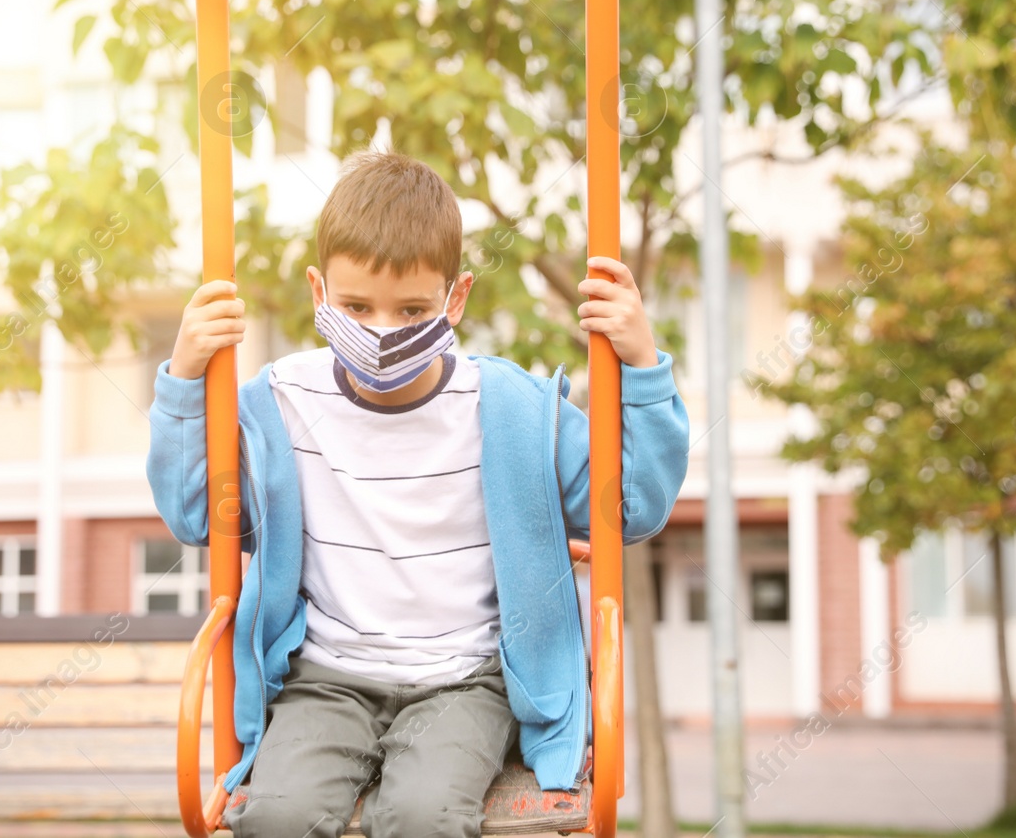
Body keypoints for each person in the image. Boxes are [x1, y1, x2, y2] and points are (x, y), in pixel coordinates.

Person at [147, 151, 689, 838]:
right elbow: (197, 513)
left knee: (421, 815)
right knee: (277, 816)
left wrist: (640, 365)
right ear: (318, 291)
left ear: (454, 299)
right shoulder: (280, 404)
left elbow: (632, 509)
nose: (381, 332)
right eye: (354, 306)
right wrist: (186, 378)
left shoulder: (509, 409)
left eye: (411, 309)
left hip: (462, 679)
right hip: (327, 676)